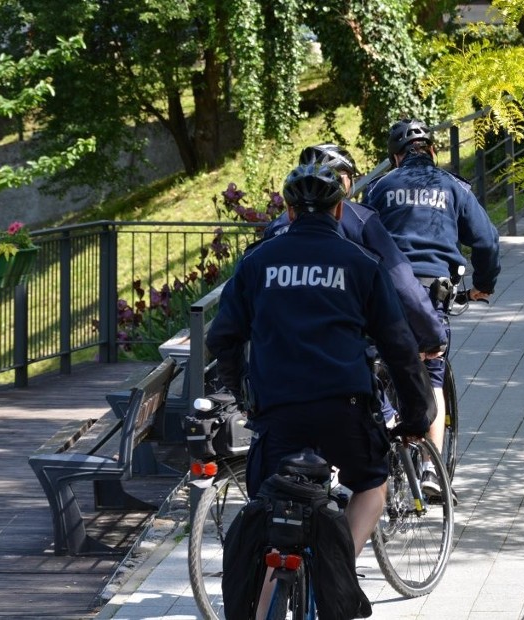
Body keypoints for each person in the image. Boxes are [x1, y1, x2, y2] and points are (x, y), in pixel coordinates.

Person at [206, 162, 436, 565]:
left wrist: (243, 390)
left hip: (278, 411)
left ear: (289, 212)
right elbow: (399, 346)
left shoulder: (257, 263)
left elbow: (222, 337)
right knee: (370, 487)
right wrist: (417, 414)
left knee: (272, 534)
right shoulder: (362, 263)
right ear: (340, 211)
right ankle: (337, 570)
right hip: (344, 409)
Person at [367, 118, 501, 497]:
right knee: (433, 375)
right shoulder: (453, 188)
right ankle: (430, 469)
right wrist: (482, 286)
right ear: (433, 151)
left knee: (377, 366)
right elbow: (487, 241)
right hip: (431, 294)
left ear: (395, 158)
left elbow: (359, 234)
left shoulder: (379, 188)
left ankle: (381, 437)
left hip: (385, 291)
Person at [265, 143, 447, 356]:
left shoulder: (276, 227)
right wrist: (431, 333)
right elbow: (401, 280)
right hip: (346, 352)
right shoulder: (360, 219)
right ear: (342, 180)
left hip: (281, 349)